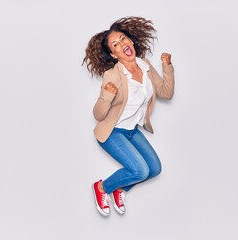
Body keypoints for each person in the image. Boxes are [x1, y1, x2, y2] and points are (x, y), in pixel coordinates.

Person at [83, 16, 175, 216]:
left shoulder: (146, 67)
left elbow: (166, 93)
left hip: (132, 132)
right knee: (139, 171)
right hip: (112, 133)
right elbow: (98, 114)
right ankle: (101, 188)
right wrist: (107, 94)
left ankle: (120, 189)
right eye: (115, 44)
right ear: (114, 54)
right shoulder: (113, 75)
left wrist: (167, 66)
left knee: (154, 169)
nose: (122, 44)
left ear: (131, 41)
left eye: (123, 39)